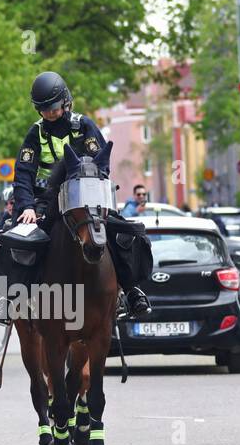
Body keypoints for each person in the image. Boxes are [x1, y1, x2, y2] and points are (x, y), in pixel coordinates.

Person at [9, 71, 152, 317]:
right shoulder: (35, 134)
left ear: (65, 102)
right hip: (46, 200)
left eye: (53, 107)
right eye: (44, 109)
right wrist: (27, 207)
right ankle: (12, 297)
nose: (50, 113)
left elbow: (102, 163)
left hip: (85, 197)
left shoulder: (84, 126)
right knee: (14, 238)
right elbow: (23, 174)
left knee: (120, 235)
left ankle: (131, 290)